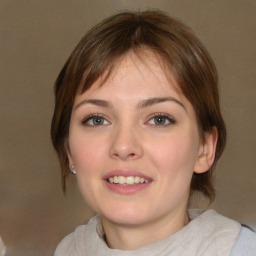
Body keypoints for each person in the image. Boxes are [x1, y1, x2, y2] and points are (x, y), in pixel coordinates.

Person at [51, 10, 256, 256]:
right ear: (68, 151)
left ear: (205, 148)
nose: (124, 146)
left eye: (159, 119)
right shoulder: (65, 251)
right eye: (97, 120)